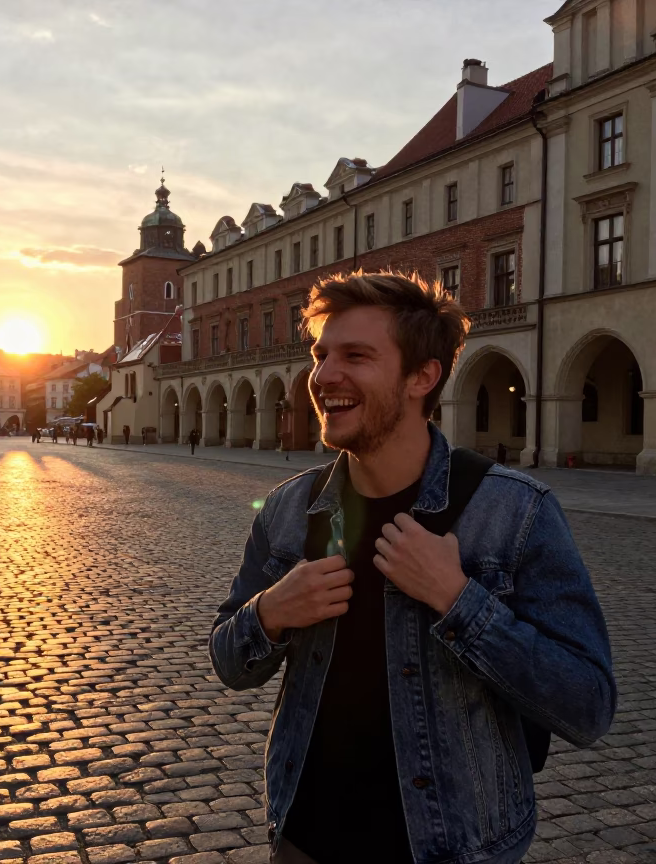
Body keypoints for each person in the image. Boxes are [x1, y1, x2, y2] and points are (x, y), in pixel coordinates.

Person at [209, 271, 615, 864]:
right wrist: (269, 614)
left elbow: (587, 705)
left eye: (356, 356)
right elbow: (228, 660)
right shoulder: (288, 510)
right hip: (304, 839)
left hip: (454, 847)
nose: (324, 376)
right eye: (321, 355)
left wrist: (459, 601)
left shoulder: (514, 512)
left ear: (421, 377)